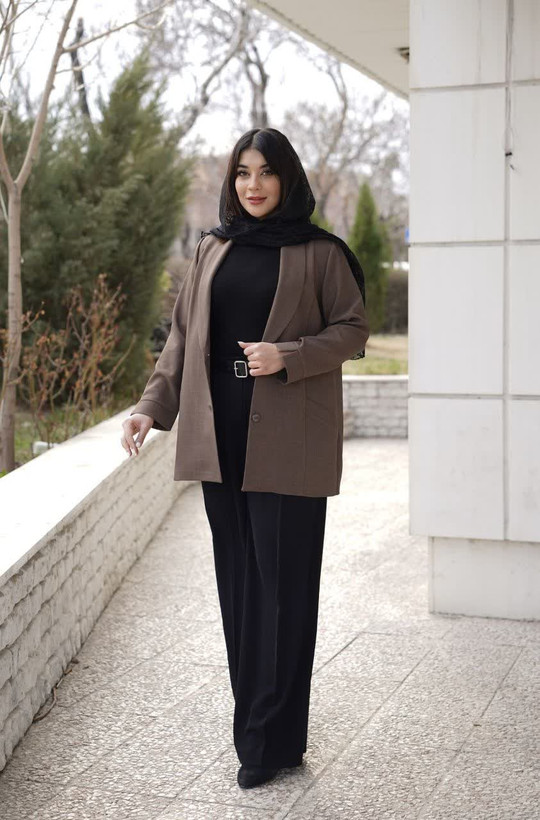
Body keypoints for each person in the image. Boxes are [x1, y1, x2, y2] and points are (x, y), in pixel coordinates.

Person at [120, 127, 370, 789]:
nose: (252, 185)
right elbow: (182, 336)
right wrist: (151, 407)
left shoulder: (321, 252)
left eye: (265, 172)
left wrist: (288, 355)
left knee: (283, 591)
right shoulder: (213, 248)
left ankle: (272, 741)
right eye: (242, 173)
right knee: (239, 587)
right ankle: (257, 730)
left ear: (288, 178)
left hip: (289, 442)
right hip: (221, 439)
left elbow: (353, 330)